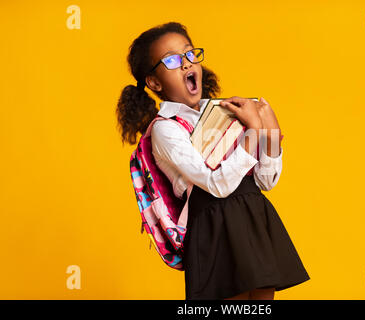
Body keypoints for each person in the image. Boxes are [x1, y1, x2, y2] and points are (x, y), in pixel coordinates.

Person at [116, 21, 310, 300]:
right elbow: (216, 185)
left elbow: (266, 181)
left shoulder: (224, 112)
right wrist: (253, 132)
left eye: (189, 54)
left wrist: (270, 134)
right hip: (214, 226)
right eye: (171, 60)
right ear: (154, 82)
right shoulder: (165, 128)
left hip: (252, 215)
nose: (185, 64)